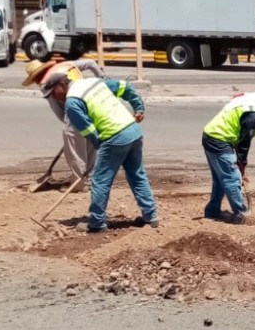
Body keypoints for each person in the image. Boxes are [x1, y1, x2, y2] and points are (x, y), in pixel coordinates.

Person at [40, 71, 159, 233]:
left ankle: (96, 223)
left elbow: (89, 131)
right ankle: (150, 216)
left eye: (53, 92)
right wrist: (138, 107)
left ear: (62, 85)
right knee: (137, 174)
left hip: (114, 136)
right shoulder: (92, 82)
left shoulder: (72, 103)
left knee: (100, 180)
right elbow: (125, 87)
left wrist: (100, 148)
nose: (54, 97)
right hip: (133, 131)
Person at [201, 91, 255, 224]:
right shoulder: (253, 116)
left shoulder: (248, 102)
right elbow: (244, 145)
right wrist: (241, 164)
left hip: (211, 135)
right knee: (232, 179)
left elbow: (239, 139)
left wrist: (240, 164)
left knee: (220, 178)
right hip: (219, 140)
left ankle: (212, 210)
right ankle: (241, 214)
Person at [22, 58, 105, 191]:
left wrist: (70, 126)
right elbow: (91, 63)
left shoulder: (46, 84)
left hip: (74, 109)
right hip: (91, 103)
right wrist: (102, 79)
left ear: (37, 76)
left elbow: (58, 111)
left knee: (74, 147)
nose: (36, 83)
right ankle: (88, 178)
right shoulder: (66, 65)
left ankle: (78, 182)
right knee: (90, 142)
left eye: (34, 79)